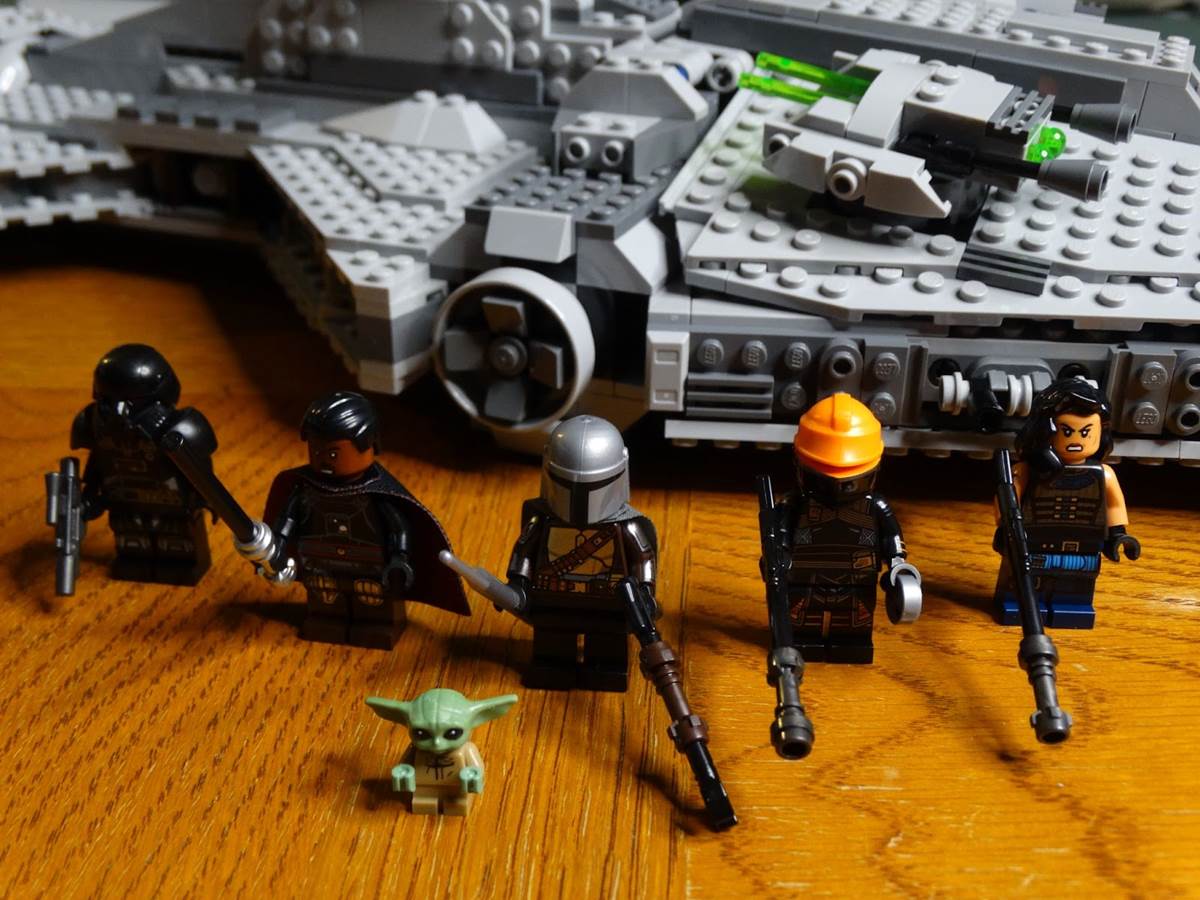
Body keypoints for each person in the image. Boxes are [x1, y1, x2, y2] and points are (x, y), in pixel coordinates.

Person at [258, 390, 468, 648]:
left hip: (369, 563)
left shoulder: (377, 492)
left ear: (368, 445)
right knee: (325, 596)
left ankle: (376, 627)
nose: (321, 459)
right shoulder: (305, 487)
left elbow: (399, 528)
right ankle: (326, 621)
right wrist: (278, 543)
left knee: (373, 601)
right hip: (320, 559)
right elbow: (288, 518)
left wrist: (399, 558)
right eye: (315, 450)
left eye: (332, 454)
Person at [993, 377, 1140, 628]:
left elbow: (1113, 506)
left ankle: (1072, 606)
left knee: (1078, 580)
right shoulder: (1028, 471)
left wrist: (1118, 534)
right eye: (1067, 431)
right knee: (1023, 581)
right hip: (1032, 540)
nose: (1076, 439)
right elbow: (1006, 499)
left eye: (1085, 432)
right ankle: (1018, 605)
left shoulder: (1103, 475)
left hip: (1084, 543)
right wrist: (1006, 527)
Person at [70, 343, 216, 584]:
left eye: (131, 402)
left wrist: (205, 498)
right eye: (109, 402)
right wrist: (88, 498)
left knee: (177, 537)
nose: (119, 413)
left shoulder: (178, 429)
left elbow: (200, 467)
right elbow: (97, 461)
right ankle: (134, 562)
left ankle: (180, 565)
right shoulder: (94, 424)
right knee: (129, 536)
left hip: (172, 503)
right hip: (124, 501)